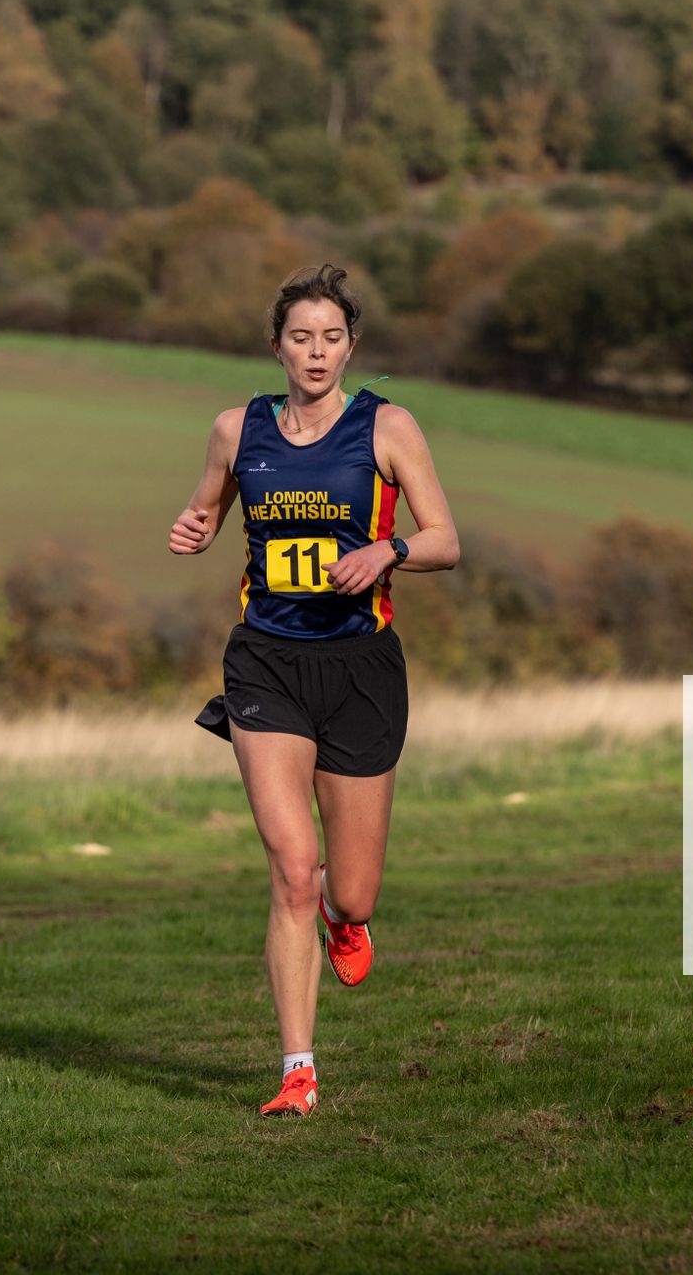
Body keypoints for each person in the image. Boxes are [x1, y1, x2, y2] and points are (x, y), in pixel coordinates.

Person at [167, 263, 460, 1117]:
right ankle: (298, 1071)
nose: (317, 352)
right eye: (301, 337)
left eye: (331, 337)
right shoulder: (237, 429)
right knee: (293, 869)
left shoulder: (388, 427)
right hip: (267, 663)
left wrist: (388, 551)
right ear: (277, 347)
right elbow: (206, 509)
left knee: (350, 889)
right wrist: (194, 527)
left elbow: (445, 539)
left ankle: (345, 913)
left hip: (361, 668)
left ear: (351, 346)